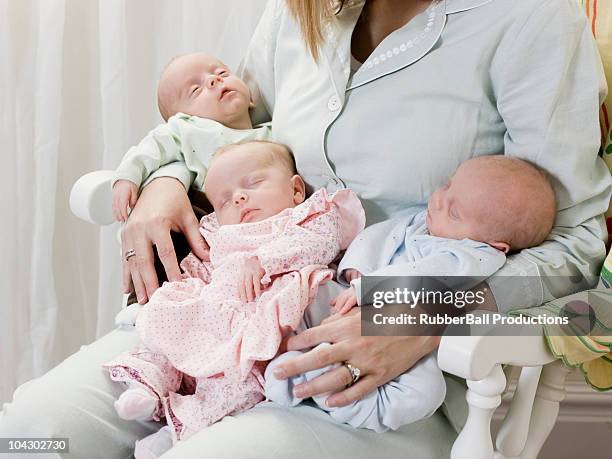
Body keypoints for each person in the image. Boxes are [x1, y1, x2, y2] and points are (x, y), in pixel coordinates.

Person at [0, 1, 610, 458]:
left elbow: (577, 241)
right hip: (230, 322)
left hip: (388, 375)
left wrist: (416, 312)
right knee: (32, 433)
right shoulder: (301, 13)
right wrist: (161, 181)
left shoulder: (528, 19)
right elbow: (230, 131)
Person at [105, 140, 365, 456]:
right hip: (219, 309)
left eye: (253, 183)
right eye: (225, 200)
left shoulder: (307, 216)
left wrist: (266, 261)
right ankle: (150, 386)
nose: (239, 197)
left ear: (296, 190)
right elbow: (203, 264)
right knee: (169, 325)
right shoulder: (219, 231)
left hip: (267, 312)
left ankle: (183, 427)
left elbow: (320, 244)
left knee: (237, 380)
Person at [265, 155, 556, 433]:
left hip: (406, 338)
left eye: (454, 211)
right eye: (447, 185)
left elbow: (426, 277)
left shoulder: (475, 256)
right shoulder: (421, 221)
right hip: (348, 299)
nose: (439, 200)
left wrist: (370, 287)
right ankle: (288, 355)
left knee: (427, 391)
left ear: (497, 244)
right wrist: (357, 268)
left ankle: (340, 400)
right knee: (310, 289)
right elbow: (377, 236)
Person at [111, 52, 272, 222]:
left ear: (251, 99)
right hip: (214, 221)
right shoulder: (188, 130)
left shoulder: (272, 133)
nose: (213, 80)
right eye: (195, 90)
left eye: (222, 73)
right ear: (183, 117)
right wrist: (127, 177)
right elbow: (150, 148)